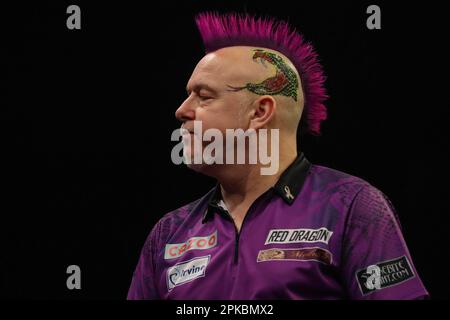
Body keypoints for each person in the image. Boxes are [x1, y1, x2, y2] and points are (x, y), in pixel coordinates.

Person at [127, 12, 429, 299]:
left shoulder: (352, 207)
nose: (181, 110)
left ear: (260, 112)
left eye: (204, 96)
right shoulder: (168, 234)